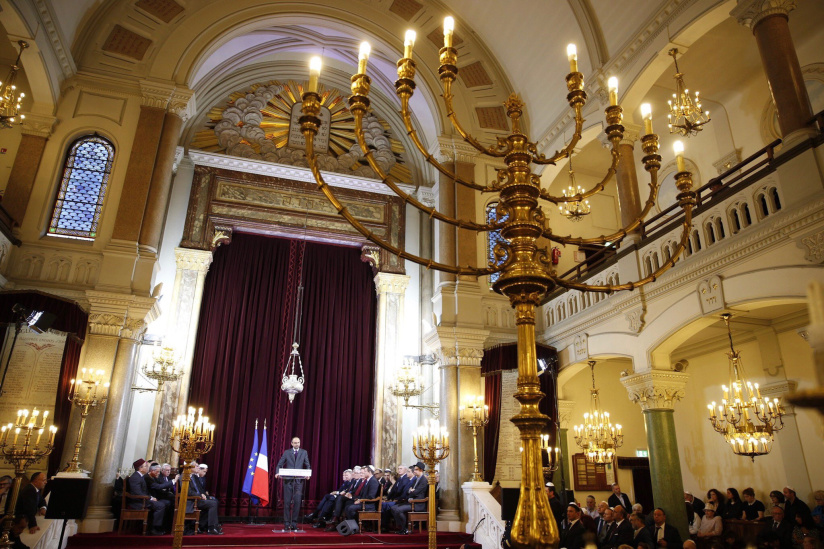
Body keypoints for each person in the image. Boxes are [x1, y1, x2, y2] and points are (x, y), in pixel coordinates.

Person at [275, 436, 311, 532]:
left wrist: (308, 474)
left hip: (298, 482)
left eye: (298, 442)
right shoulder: (287, 452)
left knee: (297, 502)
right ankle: (286, 523)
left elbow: (307, 465)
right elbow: (279, 464)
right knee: (287, 503)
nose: (297, 444)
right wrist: (277, 473)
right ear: (291, 443)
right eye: (295, 443)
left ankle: (294, 523)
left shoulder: (304, 452)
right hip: (288, 481)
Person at [127, 459, 169, 536]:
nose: (148, 468)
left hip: (143, 500)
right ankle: (154, 528)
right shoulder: (135, 477)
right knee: (160, 505)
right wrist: (150, 498)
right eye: (146, 466)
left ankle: (155, 527)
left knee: (163, 503)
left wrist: (151, 497)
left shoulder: (140, 476)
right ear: (140, 468)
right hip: (138, 502)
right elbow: (137, 493)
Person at [391, 462, 427, 535]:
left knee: (398, 510)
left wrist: (411, 491)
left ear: (421, 470)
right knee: (393, 508)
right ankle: (402, 527)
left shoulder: (423, 480)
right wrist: (411, 491)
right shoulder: (416, 479)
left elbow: (415, 492)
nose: (414, 471)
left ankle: (405, 528)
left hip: (418, 504)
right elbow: (408, 491)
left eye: (416, 470)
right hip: (412, 502)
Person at [188, 461, 223, 535]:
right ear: (191, 467)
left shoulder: (194, 476)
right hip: (191, 501)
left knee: (214, 501)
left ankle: (206, 526)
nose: (198, 468)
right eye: (196, 466)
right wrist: (200, 496)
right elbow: (188, 492)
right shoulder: (185, 476)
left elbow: (200, 489)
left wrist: (206, 497)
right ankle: (211, 528)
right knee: (212, 504)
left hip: (198, 499)